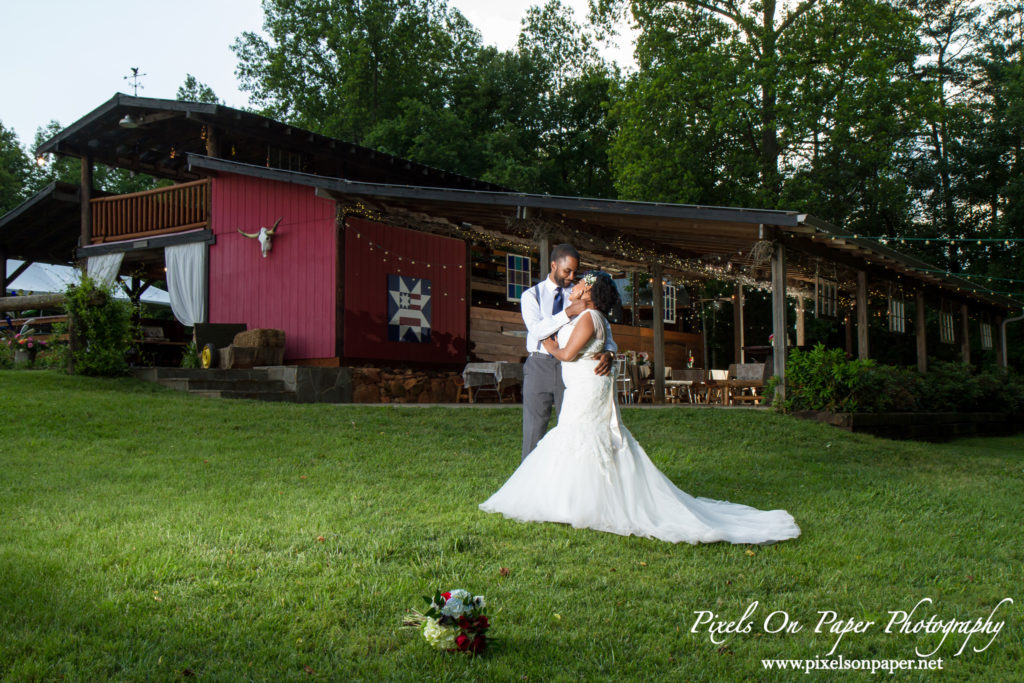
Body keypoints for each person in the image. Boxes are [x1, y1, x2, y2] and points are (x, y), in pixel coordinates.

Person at [481, 271, 800, 545]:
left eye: (581, 283)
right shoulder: (584, 315)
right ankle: (576, 499)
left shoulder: (590, 317)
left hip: (586, 388)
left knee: (579, 437)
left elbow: (564, 353)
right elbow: (589, 340)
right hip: (583, 386)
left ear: (589, 292)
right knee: (578, 439)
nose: (575, 285)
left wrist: (546, 341)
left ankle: (580, 503)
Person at [519, 244, 615, 461]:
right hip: (539, 366)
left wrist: (609, 351)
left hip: (574, 368)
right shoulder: (531, 295)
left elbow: (603, 326)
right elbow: (537, 331)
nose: (572, 277)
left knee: (571, 428)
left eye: (575, 272)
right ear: (554, 265)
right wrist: (568, 312)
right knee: (534, 429)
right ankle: (529, 481)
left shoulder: (586, 286)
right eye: (566, 271)